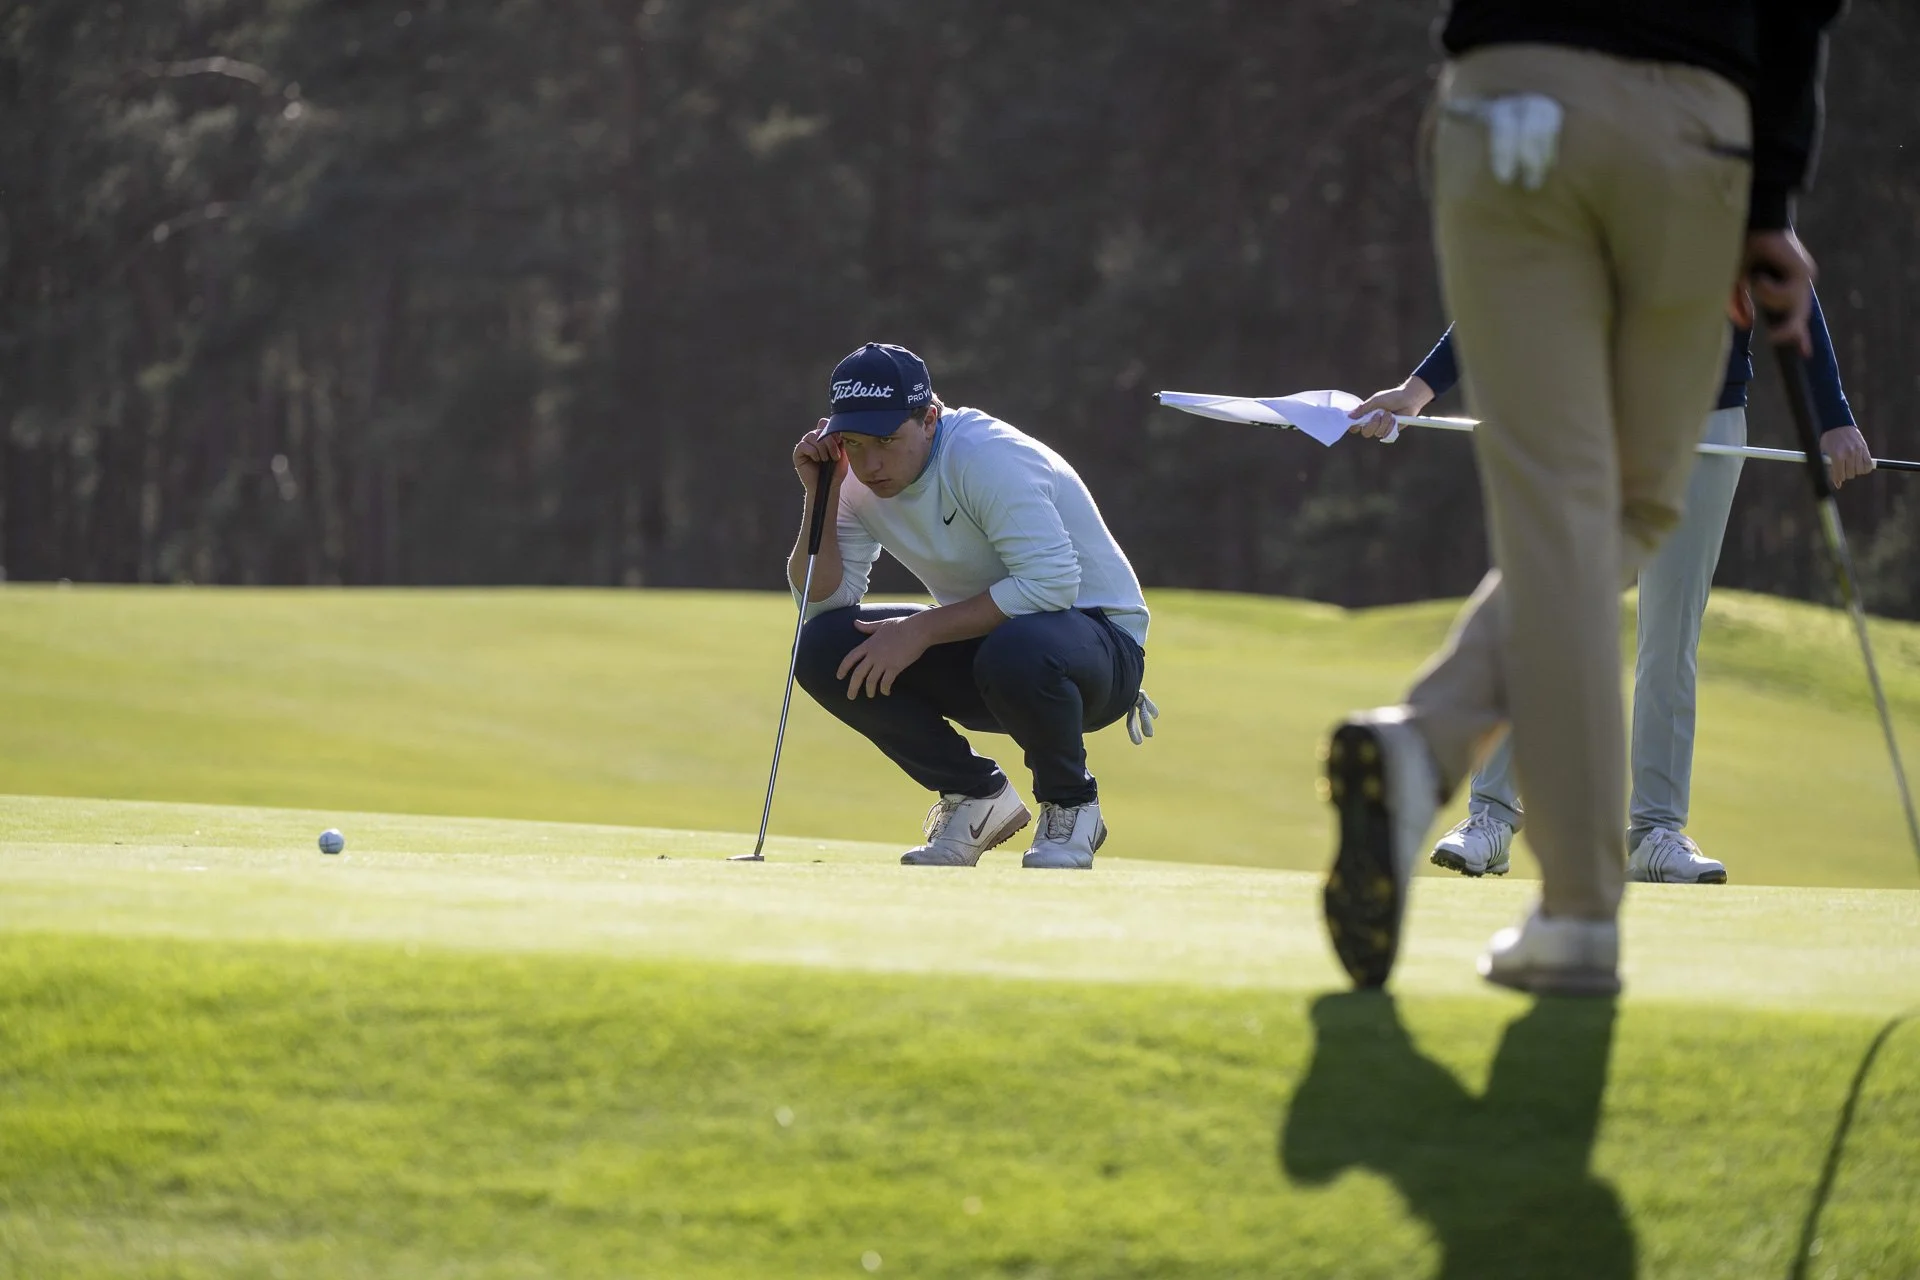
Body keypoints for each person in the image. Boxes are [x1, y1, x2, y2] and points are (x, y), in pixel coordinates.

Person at [1319, 1, 1844, 996]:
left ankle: (1491, 819)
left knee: (1565, 509)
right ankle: (1563, 903)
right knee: (1626, 514)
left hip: (1513, 87)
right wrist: (1771, 194)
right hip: (1693, 122)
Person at [1345, 299, 1873, 885]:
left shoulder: (1744, 202)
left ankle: (1657, 833)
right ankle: (1490, 820)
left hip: (1708, 417)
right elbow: (1519, 273)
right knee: (1552, 609)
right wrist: (1420, 388)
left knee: (1670, 634)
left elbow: (1788, 291)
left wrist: (1834, 414)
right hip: (1591, 412)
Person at [788, 342, 1153, 869]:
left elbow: (1051, 586)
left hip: (1097, 654)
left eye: (887, 440)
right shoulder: (852, 478)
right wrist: (819, 496)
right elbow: (823, 602)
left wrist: (918, 631)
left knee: (1019, 646)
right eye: (853, 442)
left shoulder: (985, 455)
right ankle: (975, 796)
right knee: (824, 647)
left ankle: (1072, 806)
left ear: (930, 419)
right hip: (994, 652)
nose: (870, 463)